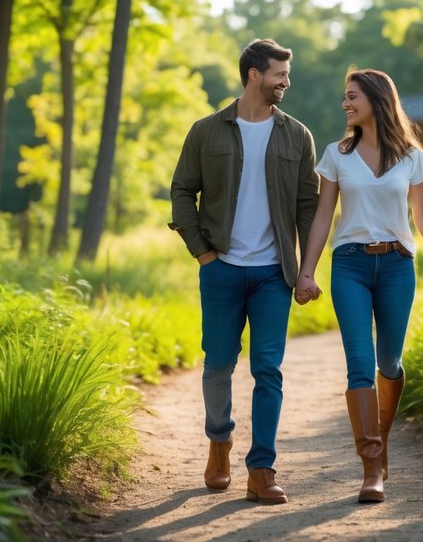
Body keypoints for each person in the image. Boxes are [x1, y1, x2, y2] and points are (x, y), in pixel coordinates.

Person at [294, 68, 423, 504]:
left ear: (375, 99)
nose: (345, 104)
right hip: (348, 264)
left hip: (397, 266)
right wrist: (306, 271)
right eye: (344, 97)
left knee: (389, 361)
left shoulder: (410, 155)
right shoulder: (336, 154)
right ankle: (371, 467)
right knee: (359, 364)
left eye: (351, 96)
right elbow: (323, 217)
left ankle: (381, 445)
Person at [169, 39, 319, 505]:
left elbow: (309, 207)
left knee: (268, 370)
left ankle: (262, 470)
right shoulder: (206, 131)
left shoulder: (297, 135)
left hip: (275, 274)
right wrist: (203, 254)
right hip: (222, 269)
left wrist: (306, 269)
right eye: (279, 74)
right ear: (254, 74)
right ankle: (219, 442)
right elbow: (181, 192)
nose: (286, 83)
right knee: (217, 365)